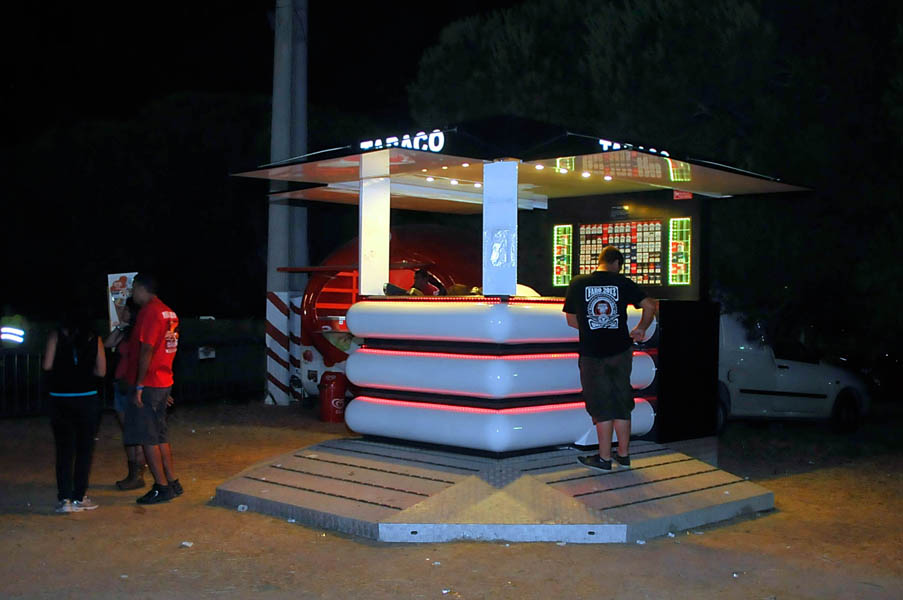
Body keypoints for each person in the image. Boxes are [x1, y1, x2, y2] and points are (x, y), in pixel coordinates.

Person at [563, 245, 657, 471]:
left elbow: (571, 320)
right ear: (616, 264)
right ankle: (623, 455)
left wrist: (592, 327)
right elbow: (650, 306)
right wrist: (641, 328)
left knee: (600, 404)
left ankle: (604, 458)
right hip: (621, 351)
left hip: (592, 353)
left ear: (600, 260)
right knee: (622, 402)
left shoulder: (578, 283)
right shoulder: (622, 282)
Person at [43, 309, 107, 512]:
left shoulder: (55, 335)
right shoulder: (94, 338)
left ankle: (64, 499)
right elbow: (102, 371)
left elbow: (47, 365)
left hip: (60, 397)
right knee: (84, 449)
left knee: (64, 449)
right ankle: (79, 496)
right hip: (87, 397)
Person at [128, 273, 182, 504]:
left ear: (142, 288)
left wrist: (139, 385)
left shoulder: (150, 311)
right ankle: (172, 481)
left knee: (148, 437)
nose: (132, 293)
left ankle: (161, 487)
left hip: (150, 383)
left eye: (133, 289)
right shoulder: (169, 312)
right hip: (164, 379)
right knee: (160, 435)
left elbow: (147, 349)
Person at [103, 297, 146, 490]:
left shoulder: (140, 332)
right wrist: (121, 325)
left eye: (126, 310)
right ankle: (132, 474)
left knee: (135, 433)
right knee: (128, 433)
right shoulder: (126, 331)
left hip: (133, 386)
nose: (122, 312)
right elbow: (107, 343)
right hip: (121, 385)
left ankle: (138, 475)